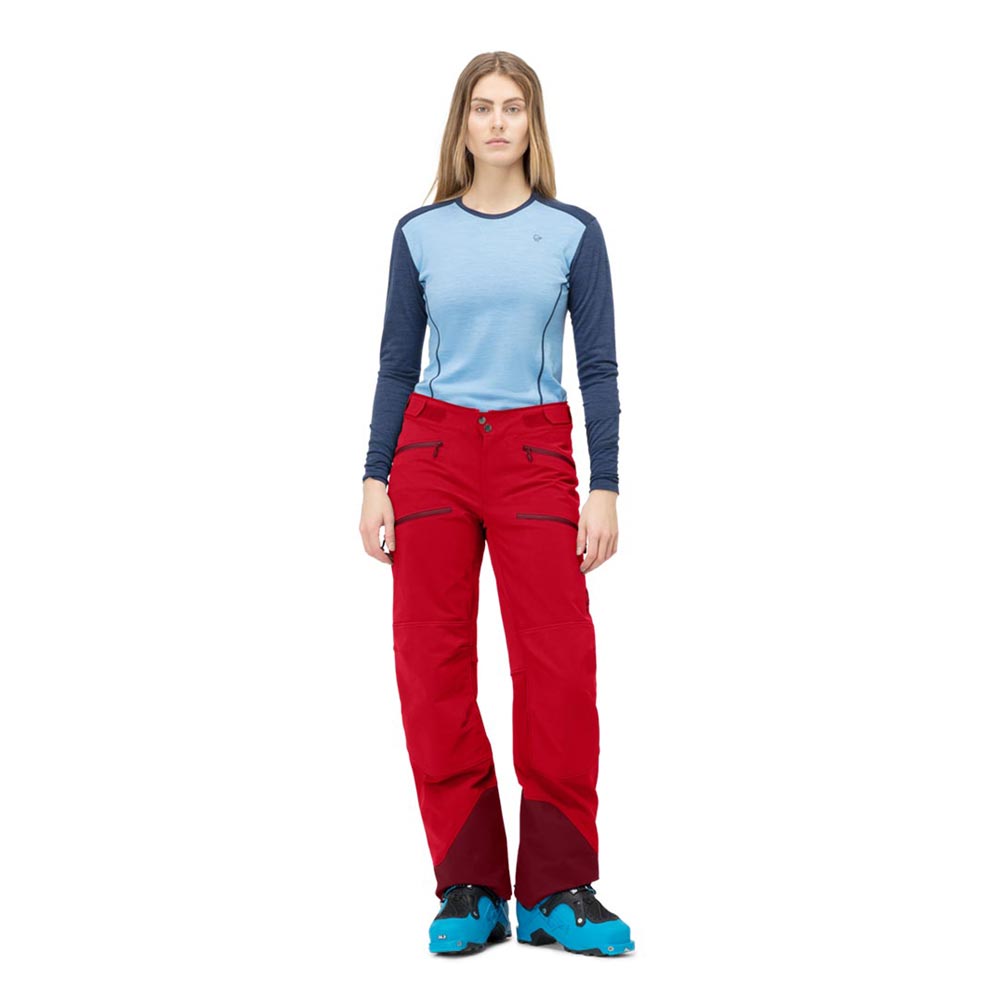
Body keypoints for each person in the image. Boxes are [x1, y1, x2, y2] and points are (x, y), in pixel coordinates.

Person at [359, 52, 634, 958]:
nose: (498, 123)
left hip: (533, 451)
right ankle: (469, 885)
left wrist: (604, 484)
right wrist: (373, 476)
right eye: (483, 108)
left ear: (533, 123)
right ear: (462, 124)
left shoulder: (572, 233)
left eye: (514, 108)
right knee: (431, 662)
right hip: (432, 453)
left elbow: (598, 366)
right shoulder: (420, 233)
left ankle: (557, 889)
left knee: (559, 663)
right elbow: (397, 362)